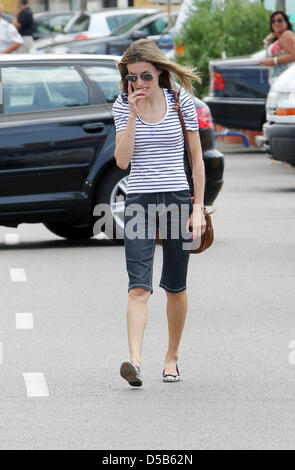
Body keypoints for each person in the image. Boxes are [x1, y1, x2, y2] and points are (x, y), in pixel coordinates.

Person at [112, 39, 205, 387]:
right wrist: (133, 113)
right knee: (138, 287)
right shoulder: (123, 106)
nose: (139, 84)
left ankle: (171, 357)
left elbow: (197, 161)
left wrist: (197, 208)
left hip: (178, 200)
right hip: (139, 202)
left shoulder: (181, 101)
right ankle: (134, 361)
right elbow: (123, 160)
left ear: (160, 72)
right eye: (132, 77)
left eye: (146, 76)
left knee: (175, 286)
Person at [260, 11, 295, 85]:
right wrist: (267, 41)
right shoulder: (280, 38)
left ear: (286, 22)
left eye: (279, 20)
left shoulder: (287, 35)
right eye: (273, 21)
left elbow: (294, 55)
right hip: (281, 82)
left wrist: (273, 60)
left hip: (286, 83)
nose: (276, 23)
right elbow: (268, 55)